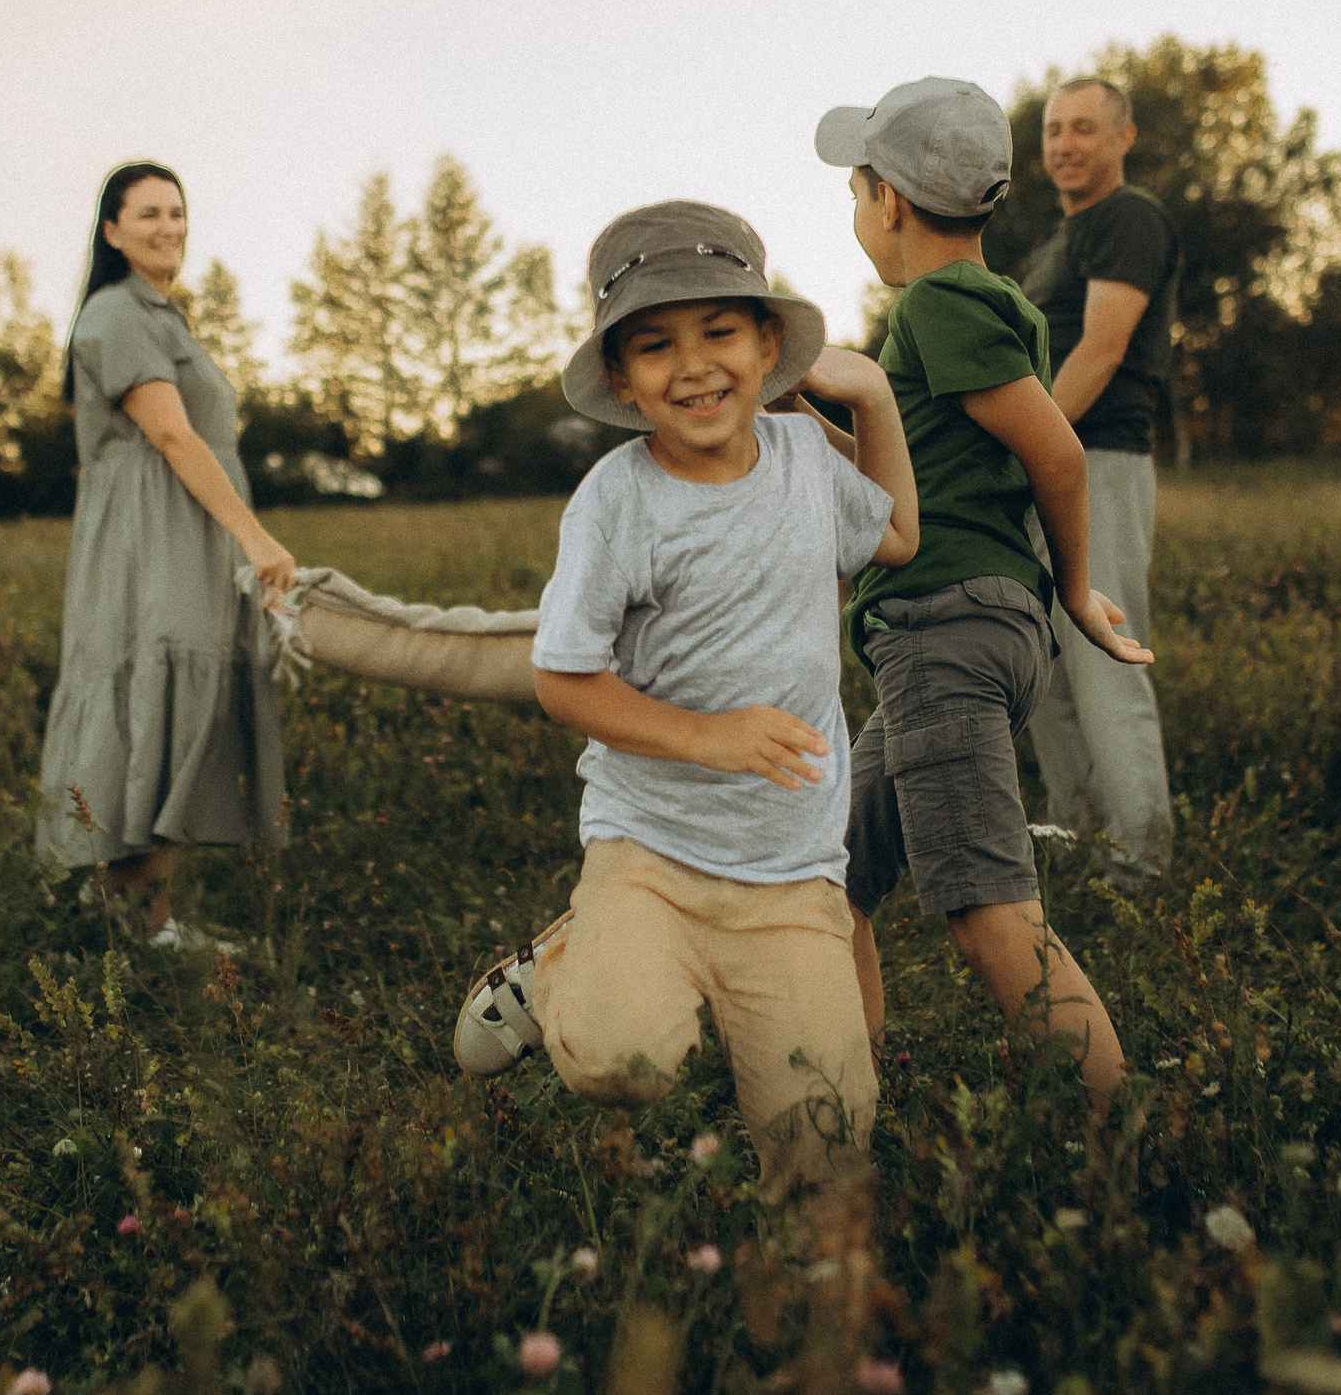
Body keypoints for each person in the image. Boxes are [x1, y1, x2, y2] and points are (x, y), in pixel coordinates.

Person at [452, 201, 919, 1203]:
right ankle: (568, 965)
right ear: (623, 379)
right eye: (656, 346)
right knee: (622, 1059)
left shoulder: (804, 460)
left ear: (766, 347)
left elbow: (893, 540)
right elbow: (559, 677)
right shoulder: (617, 502)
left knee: (827, 1137)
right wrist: (706, 738)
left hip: (793, 872)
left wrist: (873, 404)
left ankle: (801, 1322)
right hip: (650, 853)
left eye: (719, 332)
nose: (694, 365)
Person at [811, 77, 1152, 1104]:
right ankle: (843, 1109)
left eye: (857, 185)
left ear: (890, 204)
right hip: (957, 623)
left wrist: (1080, 592)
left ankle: (1126, 1143)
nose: (858, 207)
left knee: (987, 907)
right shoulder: (985, 307)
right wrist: (803, 421)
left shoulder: (938, 305)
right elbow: (904, 482)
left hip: (947, 624)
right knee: (828, 880)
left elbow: (1059, 455)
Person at [34, 161, 297, 947]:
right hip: (151, 539)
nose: (167, 228)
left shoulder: (165, 317)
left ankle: (149, 921)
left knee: (180, 712)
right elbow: (173, 434)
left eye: (176, 213)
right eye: (147, 214)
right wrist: (253, 537)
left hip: (185, 532)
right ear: (111, 231)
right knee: (152, 704)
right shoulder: (114, 313)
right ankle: (125, 926)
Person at [1017, 77, 1180, 889]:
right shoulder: (1060, 238)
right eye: (1053, 129)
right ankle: (1078, 839)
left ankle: (1141, 863)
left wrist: (1024, 449)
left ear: (1124, 136)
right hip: (1050, 465)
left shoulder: (1128, 217)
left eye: (1084, 128)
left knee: (1105, 657)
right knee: (1044, 665)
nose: (1064, 144)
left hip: (1098, 460)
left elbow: (1103, 350)